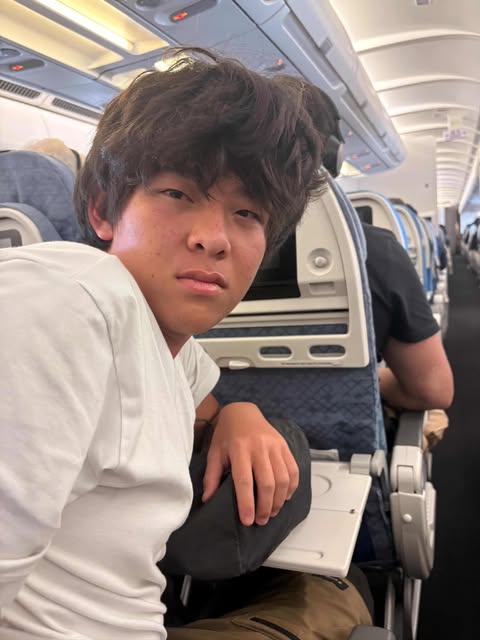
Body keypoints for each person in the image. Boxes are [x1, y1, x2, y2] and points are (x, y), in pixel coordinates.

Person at [0, 49, 326, 639]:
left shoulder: (164, 338)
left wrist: (240, 415)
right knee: (336, 599)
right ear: (103, 209)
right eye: (178, 194)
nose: (213, 238)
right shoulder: (67, 302)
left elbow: (196, 397)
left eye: (247, 213)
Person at [279, 76, 454, 412]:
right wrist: (359, 380)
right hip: (350, 439)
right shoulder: (370, 250)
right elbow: (433, 392)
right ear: (334, 156)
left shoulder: (204, 249)